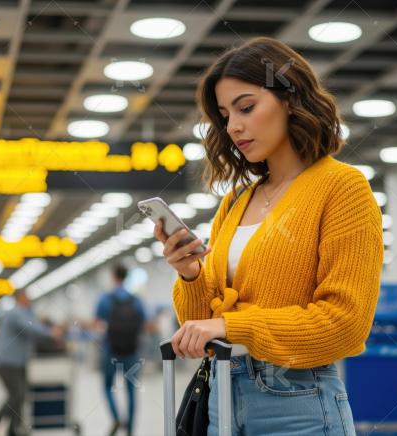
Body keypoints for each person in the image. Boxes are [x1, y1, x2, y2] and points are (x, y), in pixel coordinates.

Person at [153, 37, 383, 435]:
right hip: (221, 396)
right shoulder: (237, 201)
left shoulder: (342, 187)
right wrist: (190, 273)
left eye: (246, 107)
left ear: (290, 99)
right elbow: (199, 325)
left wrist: (231, 327)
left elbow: (345, 324)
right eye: (225, 115)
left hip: (299, 403)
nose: (233, 126)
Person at [0, 289, 61, 436]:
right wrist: (50, 333)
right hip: (7, 362)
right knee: (17, 395)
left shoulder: (26, 313)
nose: (29, 299)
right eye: (26, 296)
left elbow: (35, 324)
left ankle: (13, 428)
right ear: (19, 298)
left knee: (19, 395)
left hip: (18, 363)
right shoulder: (15, 313)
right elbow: (31, 327)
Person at [94, 264, 146, 436]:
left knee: (108, 385)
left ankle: (116, 417)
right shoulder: (136, 300)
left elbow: (98, 323)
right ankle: (130, 430)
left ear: (113, 276)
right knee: (131, 390)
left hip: (111, 350)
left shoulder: (105, 298)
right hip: (132, 351)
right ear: (126, 277)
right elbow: (145, 324)